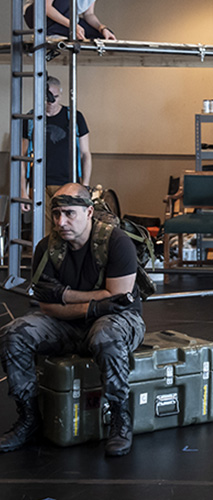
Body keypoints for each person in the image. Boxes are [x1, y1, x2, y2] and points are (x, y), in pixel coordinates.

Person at [0, 183, 145, 457]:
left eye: (69, 213)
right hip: (68, 324)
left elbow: (116, 299)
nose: (61, 222)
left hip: (119, 320)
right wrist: (92, 305)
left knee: (106, 335)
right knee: (14, 333)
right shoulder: (47, 248)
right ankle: (29, 419)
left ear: (88, 212)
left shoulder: (116, 242)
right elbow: (48, 307)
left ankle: (119, 418)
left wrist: (64, 295)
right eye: (56, 214)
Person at [20, 75, 93, 233]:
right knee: (43, 231)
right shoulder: (30, 120)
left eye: (55, 97)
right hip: (39, 184)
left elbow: (85, 154)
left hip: (68, 183)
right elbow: (22, 158)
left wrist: (85, 185)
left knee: (68, 229)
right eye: (48, 98)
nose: (51, 103)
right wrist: (23, 191)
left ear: (61, 94)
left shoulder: (74, 117)